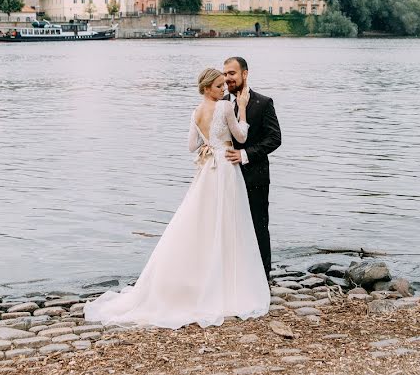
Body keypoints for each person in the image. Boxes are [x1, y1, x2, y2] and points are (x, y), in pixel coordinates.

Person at [84, 68, 270, 329]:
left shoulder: (195, 113)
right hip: (226, 168)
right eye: (218, 86)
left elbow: (191, 146)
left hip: (207, 170)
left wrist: (209, 144)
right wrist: (240, 109)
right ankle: (228, 281)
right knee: (228, 221)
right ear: (207, 88)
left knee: (202, 221)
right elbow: (241, 136)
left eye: (223, 86)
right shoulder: (226, 107)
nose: (223, 90)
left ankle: (203, 278)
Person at [222, 56, 281, 280]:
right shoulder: (222, 103)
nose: (228, 78)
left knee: (258, 225)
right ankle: (234, 272)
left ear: (244, 74)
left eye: (232, 73)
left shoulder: (263, 102)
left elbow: (275, 138)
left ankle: (263, 276)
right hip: (227, 176)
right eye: (225, 73)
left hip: (255, 176)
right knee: (229, 225)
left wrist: (245, 154)